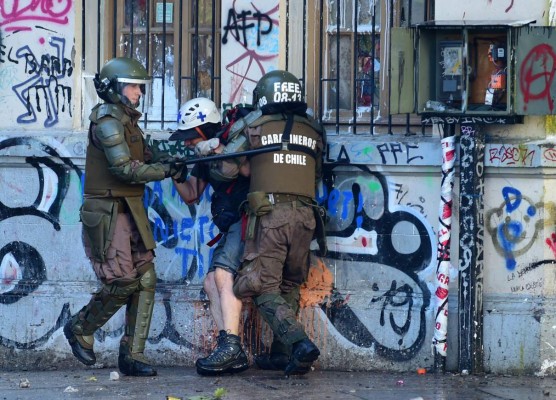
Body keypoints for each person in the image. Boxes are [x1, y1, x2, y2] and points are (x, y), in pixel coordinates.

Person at [64, 57, 187, 377]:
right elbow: (124, 168)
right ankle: (80, 327)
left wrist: (186, 154)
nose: (138, 92)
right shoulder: (106, 119)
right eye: (132, 85)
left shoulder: (127, 121)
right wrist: (164, 171)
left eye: (139, 86)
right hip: (108, 211)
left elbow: (148, 152)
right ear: (114, 88)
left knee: (146, 278)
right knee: (122, 281)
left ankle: (132, 355)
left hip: (130, 209)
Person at [216, 70, 326, 376]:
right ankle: (281, 354)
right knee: (289, 283)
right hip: (306, 217)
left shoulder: (254, 124)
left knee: (260, 284)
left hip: (270, 215)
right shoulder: (314, 129)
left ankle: (299, 343)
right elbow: (316, 175)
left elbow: (224, 170)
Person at [170, 98, 251, 375]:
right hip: (231, 226)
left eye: (191, 137)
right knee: (209, 281)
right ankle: (230, 349)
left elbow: (248, 170)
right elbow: (192, 195)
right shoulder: (204, 156)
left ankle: (231, 347)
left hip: (249, 219)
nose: (188, 143)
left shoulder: (233, 140)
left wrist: (219, 149)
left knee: (222, 275)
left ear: (205, 129)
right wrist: (175, 174)